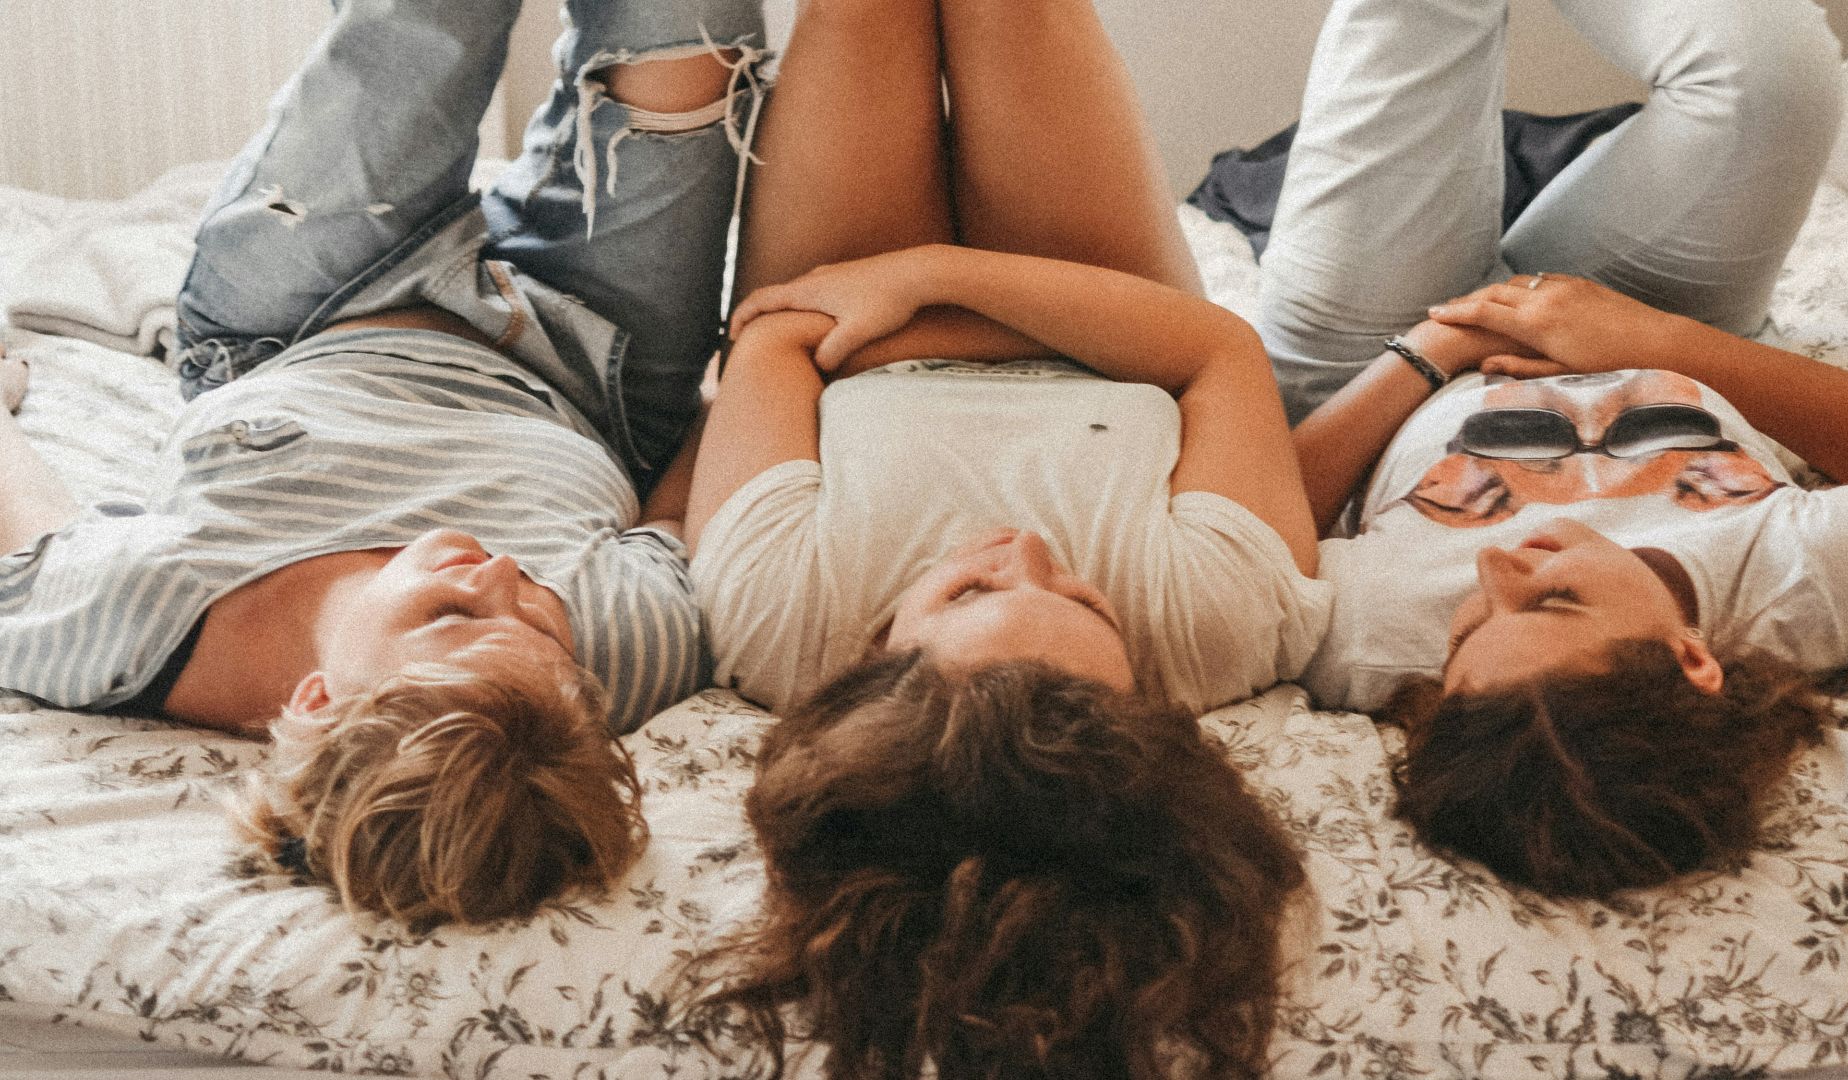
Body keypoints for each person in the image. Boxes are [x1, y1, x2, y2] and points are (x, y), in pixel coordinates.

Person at [0, 0, 765, 926]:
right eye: (542, 622)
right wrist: (743, 368)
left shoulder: (139, 623)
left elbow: (25, 537)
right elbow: (680, 511)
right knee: (693, 28)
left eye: (450, 612)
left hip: (307, 313)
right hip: (590, 360)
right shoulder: (614, 655)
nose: (502, 574)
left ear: (319, 700)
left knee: (433, 18)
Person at [681, 0, 1323, 1073]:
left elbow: (775, 341)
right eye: (1081, 599)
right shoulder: (1214, 627)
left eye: (969, 591)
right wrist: (938, 276)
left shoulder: (782, 618)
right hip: (1101, 295)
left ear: (877, 651)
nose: (1025, 550)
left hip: (912, 311)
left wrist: (903, 285)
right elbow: (1219, 354)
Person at [1253, 0, 1848, 896]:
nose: (1497, 570)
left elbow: (1248, 522)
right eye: (1557, 599)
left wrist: (1433, 348)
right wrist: (1657, 340)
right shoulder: (1802, 587)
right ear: (1692, 660)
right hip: (1654, 318)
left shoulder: (1379, 640)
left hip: (1381, 355)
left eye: (1468, 630)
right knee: (1776, 75)